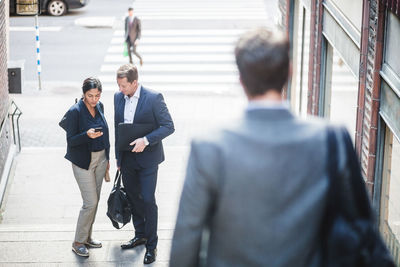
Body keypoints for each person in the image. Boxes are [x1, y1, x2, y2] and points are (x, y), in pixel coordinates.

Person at [169, 28, 364, 266]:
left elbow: (186, 239)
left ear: (241, 80)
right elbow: (360, 227)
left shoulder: (209, 147)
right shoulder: (331, 140)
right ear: (289, 71)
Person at [114, 64, 174, 264]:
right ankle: (140, 234)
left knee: (148, 200)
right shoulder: (117, 97)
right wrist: (118, 158)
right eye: (119, 85)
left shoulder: (154, 98)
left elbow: (168, 126)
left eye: (124, 86)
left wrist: (146, 140)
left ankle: (152, 246)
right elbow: (118, 128)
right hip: (127, 159)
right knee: (133, 198)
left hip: (148, 159)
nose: (121, 89)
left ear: (134, 83)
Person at [63, 77, 110, 257]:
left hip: (101, 159)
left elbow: (106, 133)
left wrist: (108, 157)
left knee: (95, 200)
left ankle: (87, 237)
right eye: (90, 96)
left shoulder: (100, 106)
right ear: (84, 94)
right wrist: (86, 135)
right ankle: (78, 241)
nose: (94, 99)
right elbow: (71, 141)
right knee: (90, 202)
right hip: (83, 161)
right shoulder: (75, 111)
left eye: (97, 95)